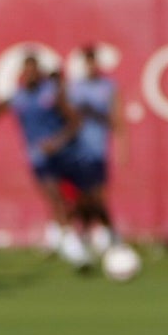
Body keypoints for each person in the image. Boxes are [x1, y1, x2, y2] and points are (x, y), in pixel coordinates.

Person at [0, 54, 99, 269]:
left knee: (85, 199)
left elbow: (74, 122)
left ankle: (65, 237)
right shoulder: (17, 97)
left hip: (65, 155)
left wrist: (57, 141)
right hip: (40, 158)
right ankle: (75, 252)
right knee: (55, 198)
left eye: (34, 70)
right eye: (27, 71)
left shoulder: (52, 94)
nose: (31, 75)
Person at [67, 44, 126, 253]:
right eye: (87, 61)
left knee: (98, 196)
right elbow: (67, 118)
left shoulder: (108, 87)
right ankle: (83, 235)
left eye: (94, 61)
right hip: (77, 150)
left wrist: (122, 148)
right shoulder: (74, 87)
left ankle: (107, 234)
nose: (91, 66)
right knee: (83, 197)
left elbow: (116, 120)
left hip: (98, 149)